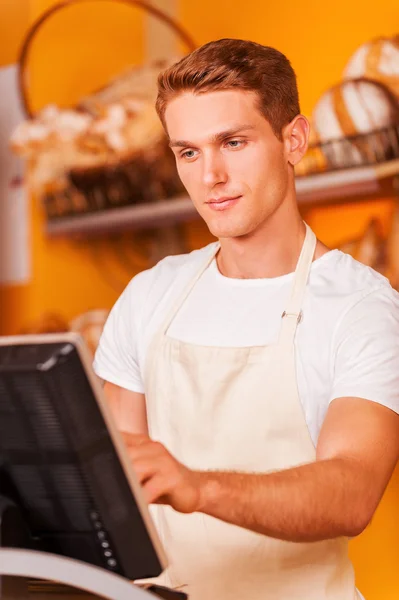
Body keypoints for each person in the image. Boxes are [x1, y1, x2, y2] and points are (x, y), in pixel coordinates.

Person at [93, 39, 399, 600]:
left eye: (233, 143)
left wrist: (199, 487)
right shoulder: (149, 294)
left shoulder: (362, 306)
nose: (210, 176)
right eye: (187, 152)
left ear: (294, 140)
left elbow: (354, 492)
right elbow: (115, 496)